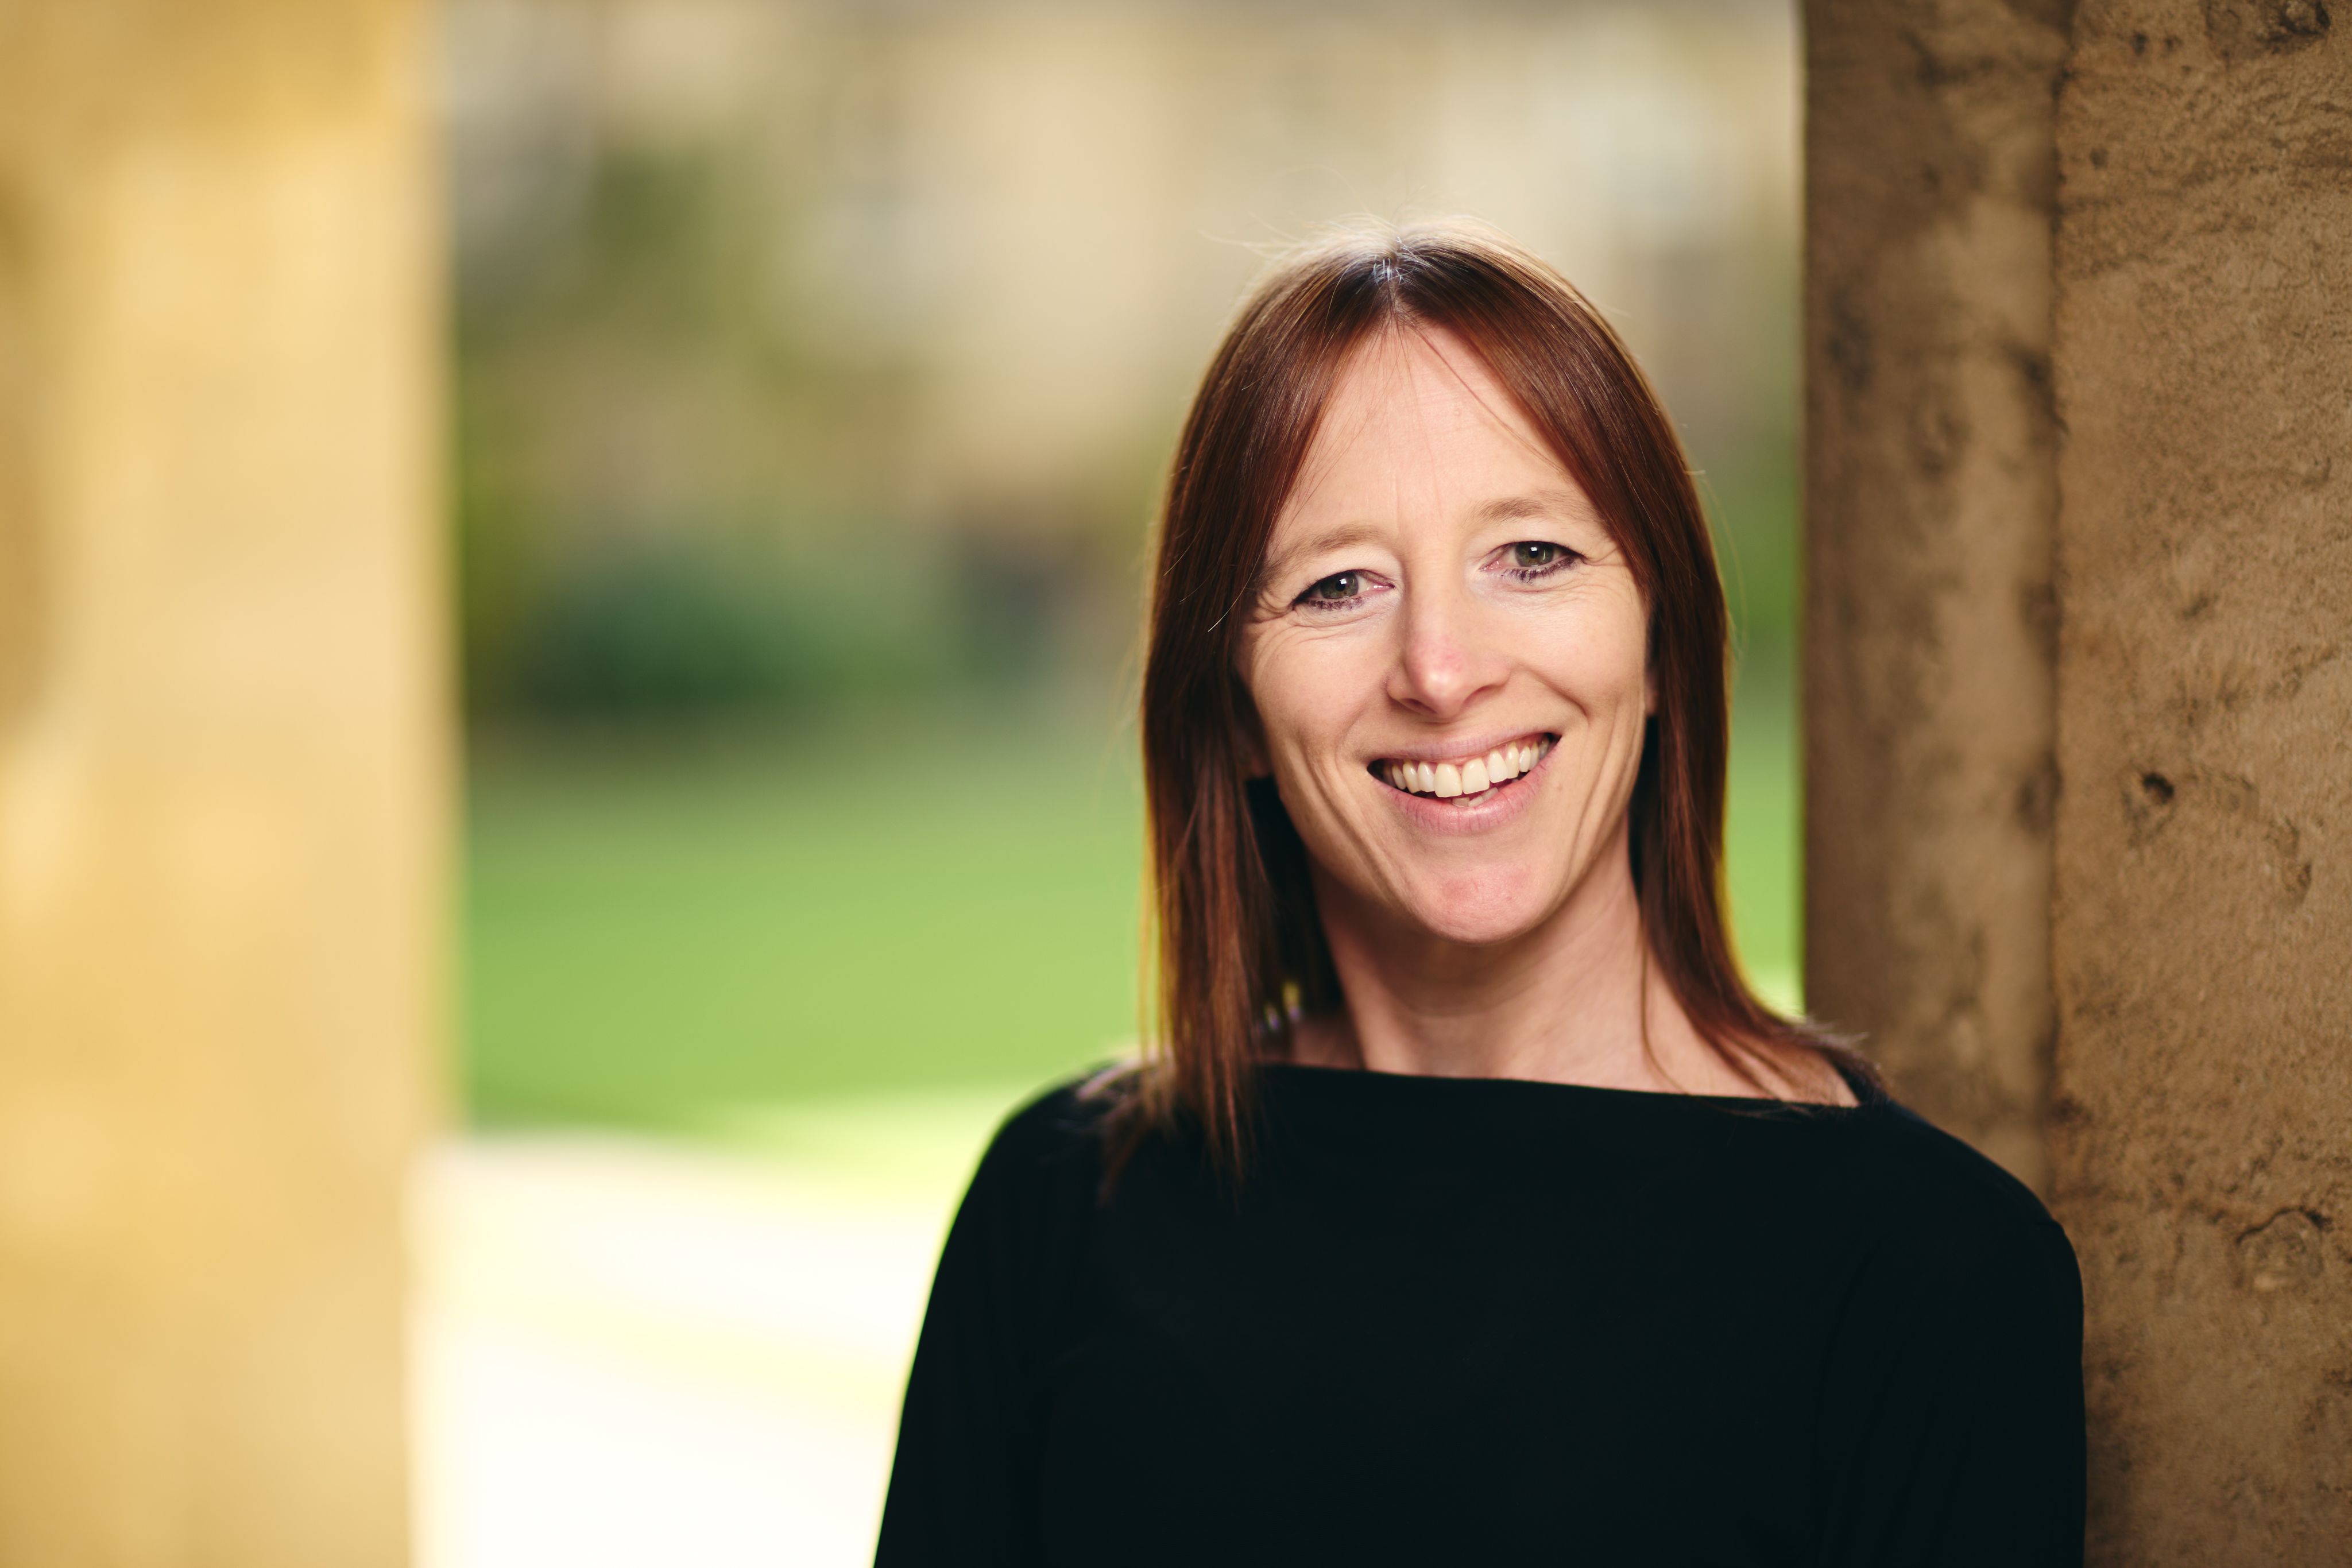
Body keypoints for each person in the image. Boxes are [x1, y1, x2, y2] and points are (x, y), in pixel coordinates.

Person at [875, 222, 2084, 1566]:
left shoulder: (1931, 1274)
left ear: (1661, 641)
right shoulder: (1059, 1210)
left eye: (1531, 557)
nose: (1440, 670)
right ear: (1226, 711)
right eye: (1338, 585)